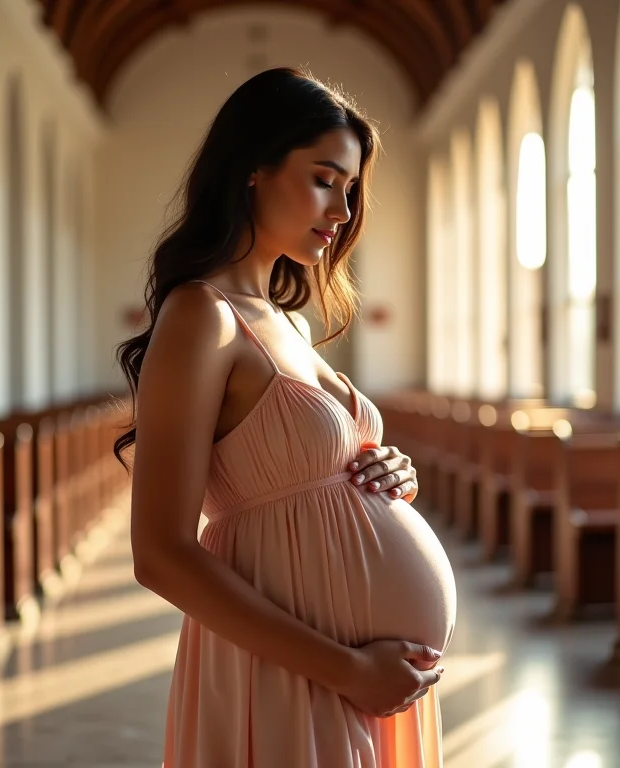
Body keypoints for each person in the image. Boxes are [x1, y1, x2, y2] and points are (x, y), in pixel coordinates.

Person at [115, 67, 457, 768]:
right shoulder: (200, 318)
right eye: (325, 178)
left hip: (354, 673)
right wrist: (349, 670)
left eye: (352, 188)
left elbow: (310, 477)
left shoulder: (289, 322)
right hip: (292, 671)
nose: (342, 209)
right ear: (252, 169)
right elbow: (160, 555)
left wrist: (389, 474)